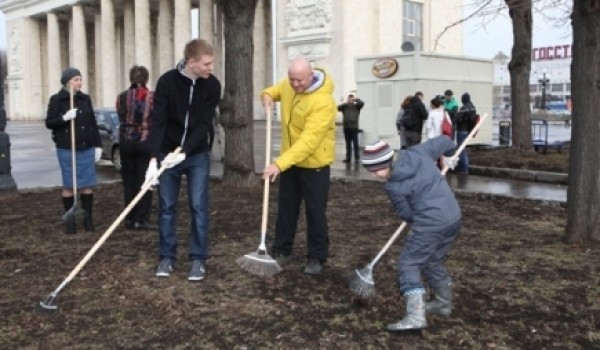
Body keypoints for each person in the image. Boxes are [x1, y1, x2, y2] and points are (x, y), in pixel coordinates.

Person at [360, 136, 462, 332]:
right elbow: (447, 141)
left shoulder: (393, 186)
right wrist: (448, 156)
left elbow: (407, 214)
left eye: (375, 170)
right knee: (431, 259)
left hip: (431, 223)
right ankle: (442, 303)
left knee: (409, 264)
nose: (374, 175)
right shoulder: (419, 152)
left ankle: (415, 317)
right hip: (453, 217)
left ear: (386, 162)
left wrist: (446, 160)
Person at [148, 38, 222, 281]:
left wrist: (186, 151)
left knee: (198, 207)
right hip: (167, 153)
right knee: (167, 207)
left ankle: (198, 259)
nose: (211, 68)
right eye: (207, 64)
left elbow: (203, 123)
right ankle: (166, 257)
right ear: (191, 62)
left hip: (196, 154)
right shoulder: (167, 82)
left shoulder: (212, 86)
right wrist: (153, 158)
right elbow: (158, 121)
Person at [261, 57, 337, 275]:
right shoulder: (289, 85)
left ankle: (316, 257)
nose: (295, 85)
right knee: (286, 209)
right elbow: (275, 90)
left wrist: (278, 164)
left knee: (315, 212)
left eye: (299, 81)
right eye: (292, 79)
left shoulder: (323, 102)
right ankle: (281, 251)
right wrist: (266, 95)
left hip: (315, 165)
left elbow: (309, 141)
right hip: (290, 163)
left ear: (311, 76)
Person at [45, 67, 102, 234]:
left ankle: (88, 219)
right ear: (67, 82)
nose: (80, 82)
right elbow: (49, 122)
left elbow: (92, 123)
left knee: (87, 184)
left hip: (86, 147)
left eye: (80, 79)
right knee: (69, 185)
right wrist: (64, 118)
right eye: (76, 79)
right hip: (66, 148)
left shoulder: (85, 99)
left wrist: (97, 145)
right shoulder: (57, 100)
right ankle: (70, 222)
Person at [116, 65, 157, 231]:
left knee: (129, 182)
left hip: (126, 141)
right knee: (144, 181)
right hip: (144, 141)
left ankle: (129, 218)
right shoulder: (151, 97)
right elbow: (155, 118)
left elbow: (119, 114)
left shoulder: (121, 97)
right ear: (146, 78)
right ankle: (141, 218)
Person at [454, 92, 478, 174]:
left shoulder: (464, 108)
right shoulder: (473, 107)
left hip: (461, 130)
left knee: (461, 149)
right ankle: (464, 168)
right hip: (468, 130)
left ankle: (464, 169)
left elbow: (458, 119)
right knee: (463, 149)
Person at [337, 94, 364, 163]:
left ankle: (357, 158)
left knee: (355, 144)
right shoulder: (345, 107)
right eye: (349, 99)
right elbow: (337, 108)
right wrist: (346, 103)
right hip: (346, 127)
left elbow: (362, 103)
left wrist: (355, 100)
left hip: (354, 127)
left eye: (351, 99)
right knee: (348, 144)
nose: (350, 100)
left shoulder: (357, 107)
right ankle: (348, 158)